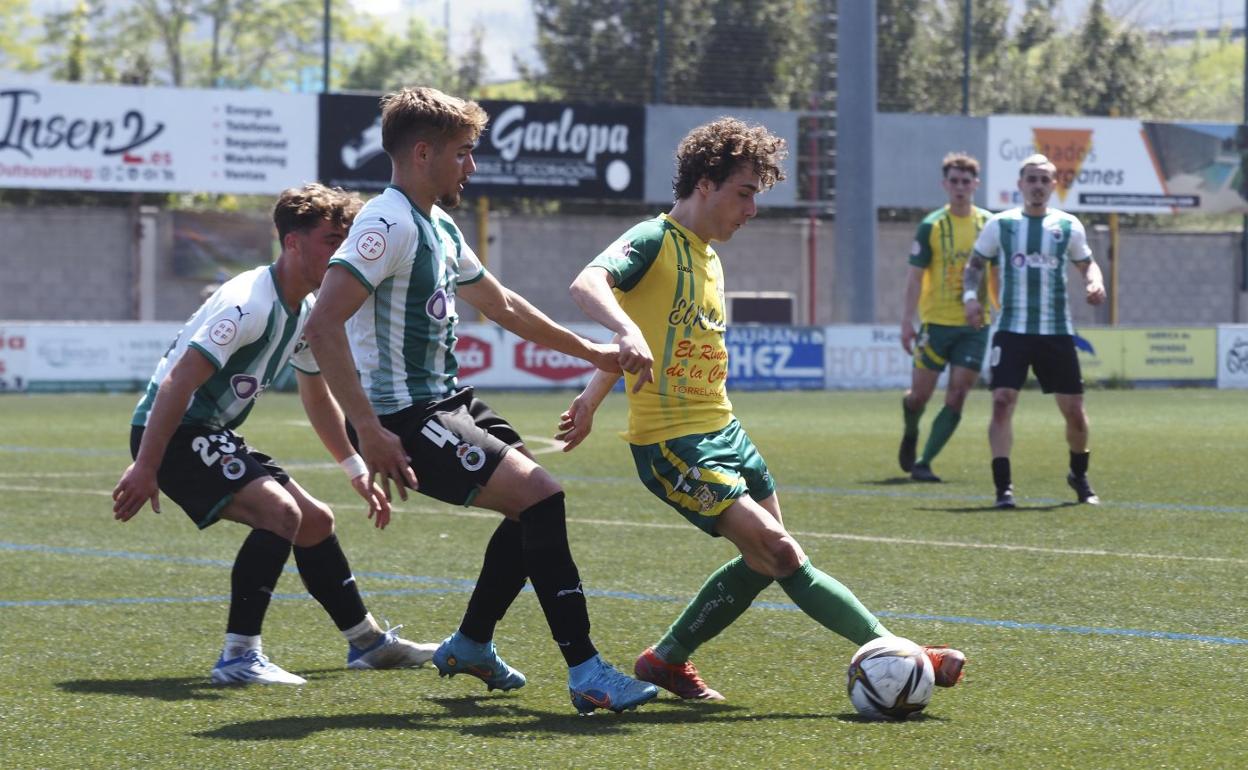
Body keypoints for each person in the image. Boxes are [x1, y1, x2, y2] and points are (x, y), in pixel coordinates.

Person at [558, 117, 966, 701]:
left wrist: (592, 395)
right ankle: (900, 649)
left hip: (726, 430)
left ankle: (666, 659)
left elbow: (642, 337)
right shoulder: (654, 239)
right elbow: (588, 283)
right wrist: (617, 344)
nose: (751, 210)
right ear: (705, 182)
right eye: (744, 194)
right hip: (674, 442)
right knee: (780, 551)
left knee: (764, 558)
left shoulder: (709, 257)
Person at [302, 86, 658, 715]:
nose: (472, 166)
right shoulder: (385, 224)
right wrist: (371, 429)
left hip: (448, 402)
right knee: (542, 497)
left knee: (530, 510)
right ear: (422, 153)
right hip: (404, 417)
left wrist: (595, 353)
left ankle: (470, 644)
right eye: (464, 153)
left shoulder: (436, 223)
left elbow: (504, 305)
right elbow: (323, 325)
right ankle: (586, 670)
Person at [112, 183, 437, 685]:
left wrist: (353, 468)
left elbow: (316, 394)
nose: (342, 252)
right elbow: (177, 383)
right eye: (332, 239)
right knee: (280, 514)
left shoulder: (307, 312)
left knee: (314, 521)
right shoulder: (250, 303)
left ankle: (368, 644)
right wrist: (147, 465)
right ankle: (239, 656)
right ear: (292, 243)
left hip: (206, 431)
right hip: (175, 432)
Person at [962, 153, 1106, 509]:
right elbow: (975, 264)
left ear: (1054, 185)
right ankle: (1003, 488)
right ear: (1020, 184)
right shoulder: (1001, 224)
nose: (1038, 185)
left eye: (1045, 179)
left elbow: (1088, 265)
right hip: (1012, 330)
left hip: (1055, 332)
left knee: (1073, 411)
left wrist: (1094, 283)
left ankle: (1079, 474)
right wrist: (970, 298)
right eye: (1032, 179)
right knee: (1001, 402)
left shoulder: (1068, 226)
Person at [898, 152, 993, 483]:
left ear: (975, 185)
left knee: (957, 395)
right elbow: (914, 277)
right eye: (954, 181)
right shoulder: (932, 226)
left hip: (975, 326)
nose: (960, 187)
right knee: (918, 397)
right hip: (935, 324)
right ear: (945, 184)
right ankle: (911, 431)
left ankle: (924, 462)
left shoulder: (988, 225)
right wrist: (906, 321)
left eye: (966, 181)